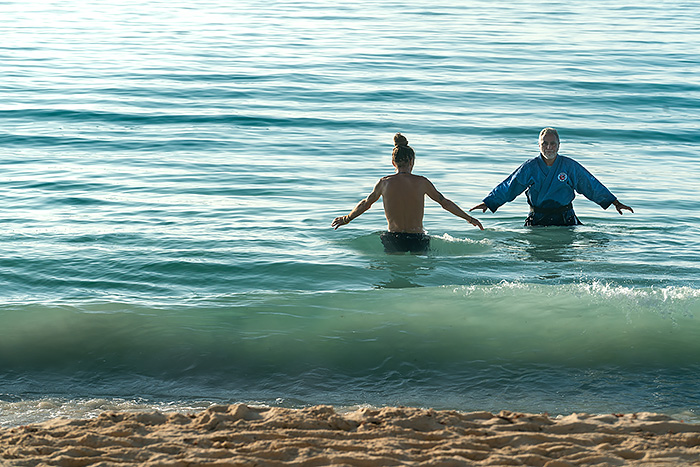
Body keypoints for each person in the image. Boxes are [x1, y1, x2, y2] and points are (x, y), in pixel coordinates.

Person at [332, 133, 484, 253]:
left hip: (393, 237)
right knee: (415, 274)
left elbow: (365, 204)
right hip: (417, 238)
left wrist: (347, 218)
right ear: (412, 161)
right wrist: (469, 218)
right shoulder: (422, 182)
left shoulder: (384, 183)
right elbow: (444, 203)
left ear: (393, 163)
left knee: (395, 273)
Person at [470, 127, 633, 226]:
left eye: (553, 143)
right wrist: (489, 202)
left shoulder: (569, 166)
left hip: (565, 220)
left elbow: (590, 185)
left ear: (559, 145)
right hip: (537, 220)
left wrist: (614, 202)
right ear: (539, 145)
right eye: (544, 143)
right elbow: (511, 186)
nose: (549, 147)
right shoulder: (530, 167)